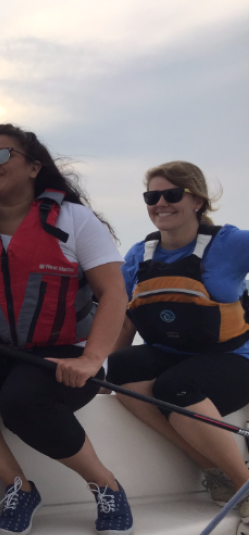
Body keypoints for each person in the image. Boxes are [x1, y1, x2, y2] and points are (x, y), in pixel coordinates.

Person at [0, 124, 133, 535]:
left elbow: (114, 294)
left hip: (66, 356)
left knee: (23, 397)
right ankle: (18, 486)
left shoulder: (75, 221)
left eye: (2, 156)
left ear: (34, 167)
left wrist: (92, 359)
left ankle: (106, 485)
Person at [107, 161, 249, 520]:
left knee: (175, 386)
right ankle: (211, 468)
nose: (161, 203)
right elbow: (125, 318)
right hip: (173, 356)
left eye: (172, 194)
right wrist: (101, 374)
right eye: (152, 196)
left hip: (234, 359)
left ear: (197, 201)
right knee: (120, 369)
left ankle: (244, 485)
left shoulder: (231, 243)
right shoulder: (140, 255)